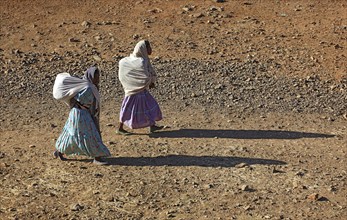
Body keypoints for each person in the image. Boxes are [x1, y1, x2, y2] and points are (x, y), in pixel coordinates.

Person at [53, 67, 111, 165]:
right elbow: (90, 103)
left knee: (72, 134)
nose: (98, 79)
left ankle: (60, 151)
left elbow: (74, 99)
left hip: (76, 113)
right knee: (90, 134)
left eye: (98, 77)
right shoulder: (89, 88)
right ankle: (97, 157)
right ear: (91, 77)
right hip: (82, 115)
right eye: (96, 77)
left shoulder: (82, 86)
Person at [117, 40, 163, 135]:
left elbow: (145, 75)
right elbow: (144, 76)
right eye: (148, 48)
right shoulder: (140, 62)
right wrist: (149, 82)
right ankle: (120, 128)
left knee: (150, 105)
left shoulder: (143, 60)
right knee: (127, 109)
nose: (151, 50)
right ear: (143, 49)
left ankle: (152, 125)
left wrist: (148, 82)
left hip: (141, 90)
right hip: (132, 91)